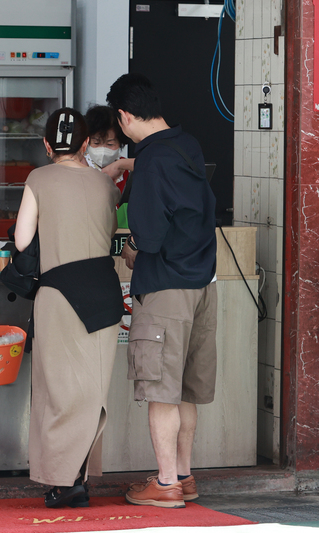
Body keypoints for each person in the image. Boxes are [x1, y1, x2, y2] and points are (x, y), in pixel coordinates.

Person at [106, 73, 217, 508]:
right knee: (187, 389)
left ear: (125, 116)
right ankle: (185, 476)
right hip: (202, 284)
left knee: (160, 390)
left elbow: (148, 235)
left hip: (166, 290)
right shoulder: (186, 145)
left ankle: (165, 483)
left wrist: (130, 249)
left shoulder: (152, 160)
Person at [13, 107, 123, 508]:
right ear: (85, 144)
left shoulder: (38, 178)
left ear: (46, 144)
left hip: (59, 295)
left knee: (57, 392)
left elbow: (23, 241)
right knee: (90, 392)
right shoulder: (104, 185)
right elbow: (110, 234)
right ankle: (80, 476)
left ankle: (63, 481)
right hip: (105, 295)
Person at [84, 104, 133, 228]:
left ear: (121, 143)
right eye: (96, 143)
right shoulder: (79, 168)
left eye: (110, 144)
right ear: (87, 142)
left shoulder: (127, 169)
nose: (103, 149)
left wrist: (122, 164)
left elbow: (149, 164)